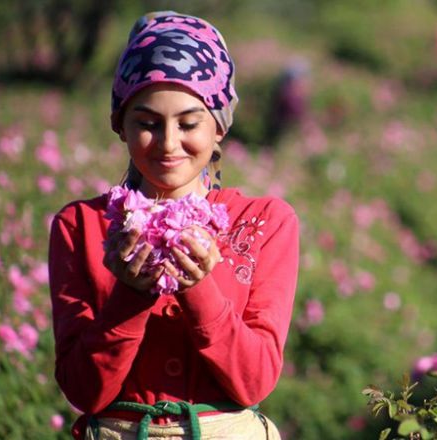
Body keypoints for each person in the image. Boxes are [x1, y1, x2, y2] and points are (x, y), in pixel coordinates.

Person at [47, 11, 299, 440]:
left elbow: (254, 381)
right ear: (119, 125)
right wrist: (129, 293)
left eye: (188, 123)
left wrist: (199, 286)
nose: (167, 144)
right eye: (146, 123)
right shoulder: (82, 226)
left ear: (219, 125)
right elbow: (84, 390)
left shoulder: (264, 222)